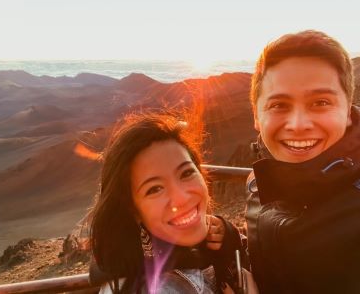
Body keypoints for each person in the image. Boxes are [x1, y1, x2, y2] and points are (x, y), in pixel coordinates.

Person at [246, 30, 360, 294]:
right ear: (257, 116)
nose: (299, 124)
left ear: (348, 111)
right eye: (279, 105)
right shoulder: (258, 187)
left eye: (321, 102)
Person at [89, 111, 250, 293]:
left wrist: (230, 239)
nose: (182, 198)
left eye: (186, 173)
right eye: (155, 189)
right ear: (133, 210)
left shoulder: (189, 255)